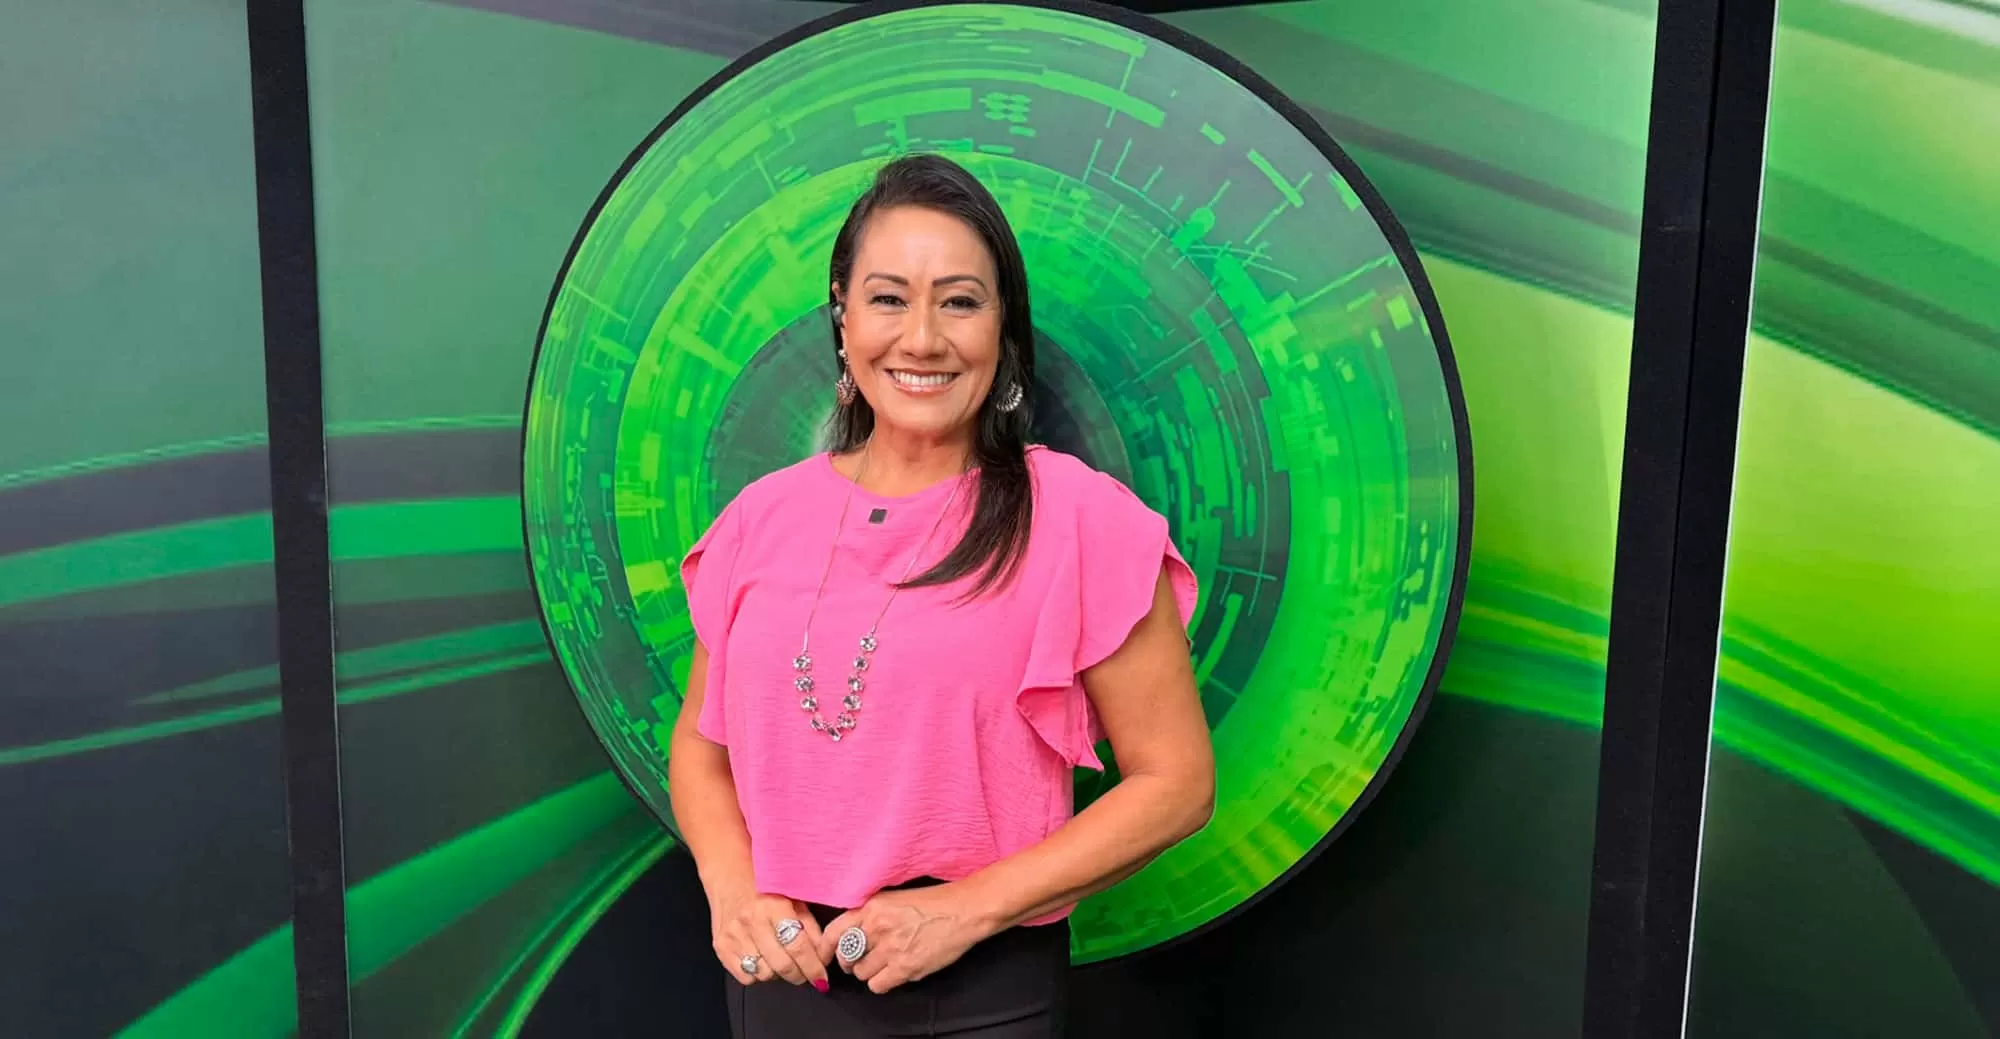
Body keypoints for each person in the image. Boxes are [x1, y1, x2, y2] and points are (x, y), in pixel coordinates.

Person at [667, 153, 1214, 1038]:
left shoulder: (1079, 517)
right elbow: (701, 745)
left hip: (979, 991)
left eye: (960, 302)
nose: (921, 338)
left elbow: (1177, 782)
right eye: (888, 298)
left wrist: (962, 911)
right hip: (781, 985)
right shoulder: (759, 518)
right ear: (842, 315)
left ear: (1003, 327)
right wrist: (731, 888)